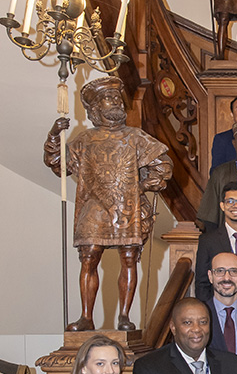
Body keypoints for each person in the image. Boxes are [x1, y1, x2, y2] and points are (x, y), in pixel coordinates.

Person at [43, 75, 172, 331]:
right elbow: (59, 164)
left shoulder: (136, 137)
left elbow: (163, 164)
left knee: (128, 257)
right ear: (95, 108)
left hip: (127, 208)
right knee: (89, 258)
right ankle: (86, 316)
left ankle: (124, 316)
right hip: (94, 207)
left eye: (116, 97)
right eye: (107, 98)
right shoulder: (85, 139)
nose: (114, 102)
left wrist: (142, 186)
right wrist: (55, 133)